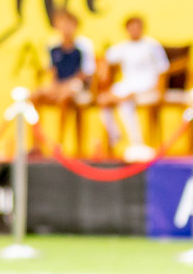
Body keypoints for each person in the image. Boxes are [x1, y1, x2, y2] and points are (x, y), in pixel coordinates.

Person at [97, 14, 169, 162]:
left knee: (124, 101)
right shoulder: (122, 47)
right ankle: (116, 134)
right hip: (127, 85)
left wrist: (160, 91)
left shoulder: (152, 45)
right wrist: (103, 73)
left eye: (137, 27)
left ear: (143, 28)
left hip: (147, 87)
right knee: (102, 100)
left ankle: (137, 143)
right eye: (131, 27)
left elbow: (163, 68)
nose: (134, 30)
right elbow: (103, 59)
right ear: (126, 29)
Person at [30, 9, 95, 155]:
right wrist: (54, 86)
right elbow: (52, 71)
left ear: (76, 26)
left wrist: (65, 86)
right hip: (58, 84)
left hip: (78, 85)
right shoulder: (51, 45)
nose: (65, 28)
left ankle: (59, 143)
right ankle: (36, 144)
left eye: (69, 24)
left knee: (64, 97)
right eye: (62, 24)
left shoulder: (84, 45)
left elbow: (86, 73)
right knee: (34, 96)